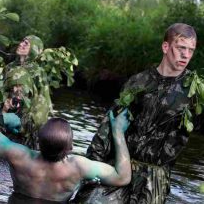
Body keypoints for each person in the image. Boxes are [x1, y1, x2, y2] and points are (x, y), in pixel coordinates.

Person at [80, 23, 199, 203]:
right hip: (121, 166)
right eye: (181, 48)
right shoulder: (139, 81)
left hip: (154, 179)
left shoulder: (194, 90)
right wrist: (91, 166)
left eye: (191, 50)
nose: (186, 55)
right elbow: (110, 125)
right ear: (165, 47)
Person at [0, 110, 132, 203]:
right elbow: (123, 177)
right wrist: (118, 132)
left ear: (38, 143)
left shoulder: (19, 155)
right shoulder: (78, 167)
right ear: (70, 148)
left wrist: (6, 118)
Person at [1, 35, 53, 149]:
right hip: (11, 116)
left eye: (26, 43)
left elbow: (41, 102)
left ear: (34, 50)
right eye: (21, 41)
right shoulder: (10, 67)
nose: (21, 44)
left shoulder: (37, 72)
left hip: (28, 123)